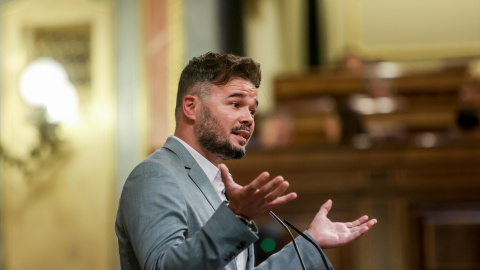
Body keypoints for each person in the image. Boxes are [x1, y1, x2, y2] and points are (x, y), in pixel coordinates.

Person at [115, 52, 377, 270]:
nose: (249, 118)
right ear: (191, 107)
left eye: (252, 109)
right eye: (235, 104)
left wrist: (311, 244)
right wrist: (237, 217)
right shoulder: (155, 175)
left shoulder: (218, 184)